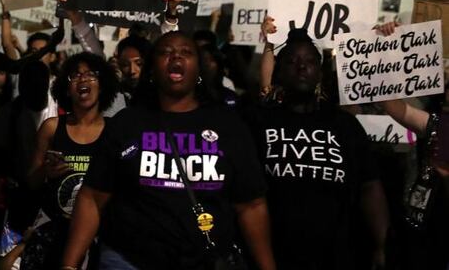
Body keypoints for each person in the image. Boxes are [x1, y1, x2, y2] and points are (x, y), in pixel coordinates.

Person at [62, 31, 275, 270]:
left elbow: (251, 205)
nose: (176, 57)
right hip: (129, 260)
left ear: (199, 69)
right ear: (152, 69)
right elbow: (92, 197)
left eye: (186, 52)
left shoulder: (228, 126)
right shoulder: (127, 124)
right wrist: (70, 264)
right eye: (166, 52)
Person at [249, 27, 389, 269]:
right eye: (292, 61)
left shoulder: (344, 125)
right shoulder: (259, 121)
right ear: (279, 72)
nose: (302, 67)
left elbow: (370, 187)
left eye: (310, 61)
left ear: (319, 72)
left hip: (335, 256)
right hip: (272, 257)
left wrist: (381, 245)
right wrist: (269, 44)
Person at [22, 52, 119, 268]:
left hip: (98, 236)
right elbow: (31, 181)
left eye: (91, 74)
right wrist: (46, 171)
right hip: (52, 234)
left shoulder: (115, 131)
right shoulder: (51, 128)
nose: (83, 79)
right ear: (66, 88)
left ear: (102, 85)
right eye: (75, 76)